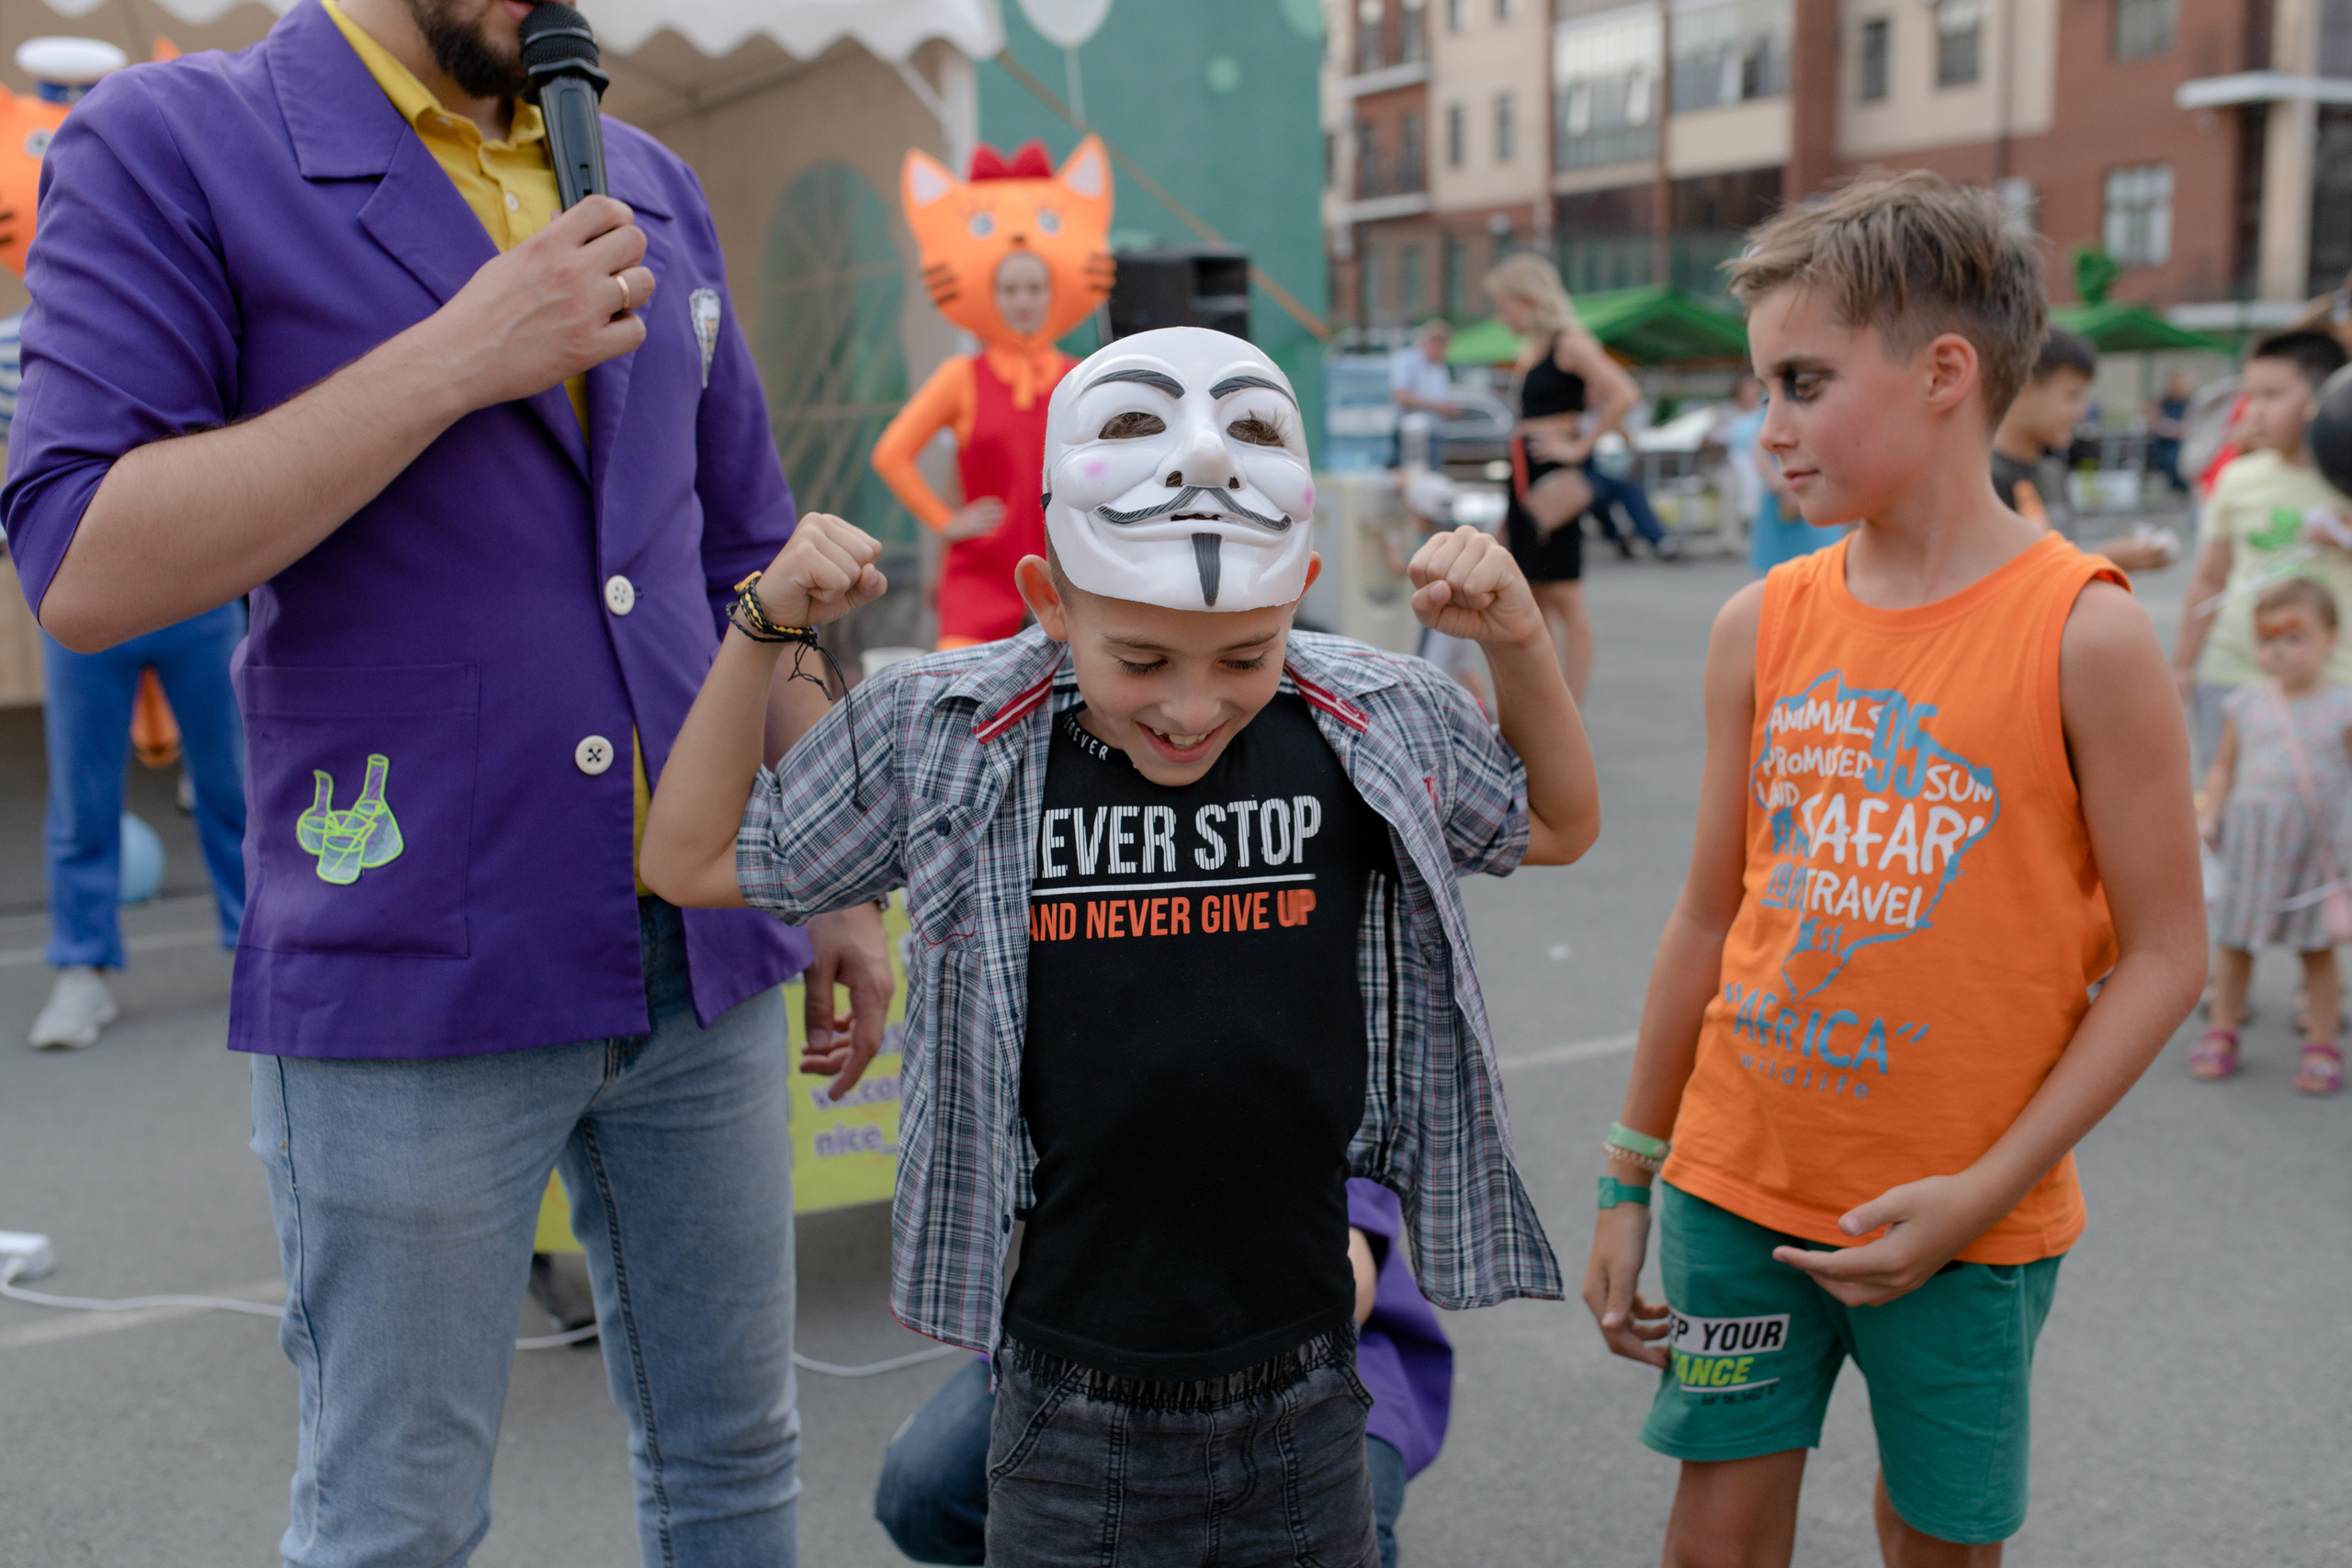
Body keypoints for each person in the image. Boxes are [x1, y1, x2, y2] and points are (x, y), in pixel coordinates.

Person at [0, 1, 898, 1562]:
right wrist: (459, 357)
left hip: (708, 948)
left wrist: (834, 861)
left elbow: (749, 543)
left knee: (741, 1460)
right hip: (410, 942)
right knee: (395, 1519)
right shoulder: (169, 143)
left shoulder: (648, 175)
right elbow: (81, 561)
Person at [642, 327, 1598, 1566]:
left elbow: (1561, 821)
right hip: (1066, 1402)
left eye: (1244, 655)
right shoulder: (953, 731)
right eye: (1138, 657)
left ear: (1298, 585)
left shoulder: (1369, 716)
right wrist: (764, 626)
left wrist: (1518, 640)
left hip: (1310, 1384)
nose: (1192, 704)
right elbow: (691, 858)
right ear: (1050, 598)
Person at [1580, 172, 2205, 1567]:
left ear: (1944, 370)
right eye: (1761, 387)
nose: (1769, 426)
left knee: (1937, 1541)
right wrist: (1632, 1172)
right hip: (1739, 1181)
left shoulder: (2084, 633)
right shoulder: (1762, 622)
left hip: (1968, 1223)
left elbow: (2170, 956)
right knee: (1714, 1542)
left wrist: (1984, 1190)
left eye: (1801, 380)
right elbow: (1706, 913)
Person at [870, 1179, 1455, 1568]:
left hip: (1301, 1349)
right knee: (924, 1490)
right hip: (1091, 1330)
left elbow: (1351, 1262)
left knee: (1351, 1525)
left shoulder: (1315, 1013)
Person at [870, 138, 1114, 649]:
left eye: (1034, 288)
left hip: (1066, 579)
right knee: (960, 708)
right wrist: (946, 521)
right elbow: (891, 453)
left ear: (1052, 292)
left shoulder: (1082, 376)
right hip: (979, 580)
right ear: (991, 293)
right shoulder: (961, 377)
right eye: (1010, 290)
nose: (1022, 301)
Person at [30, 604, 248, 1049]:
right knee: (81, 800)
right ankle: (82, 966)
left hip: (200, 594)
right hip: (87, 603)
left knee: (237, 789)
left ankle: (261, 955)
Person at [2191, 577, 2352, 1093]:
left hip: (2314, 853)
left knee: (2317, 951)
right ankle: (2222, 1030)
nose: (2280, 652)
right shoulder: (2245, 704)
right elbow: (2222, 767)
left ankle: (2322, 1044)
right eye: (2268, 640)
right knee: (2235, 946)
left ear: (2331, 638)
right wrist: (2210, 815)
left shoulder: (2343, 709)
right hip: (2252, 848)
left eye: (2295, 638)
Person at [2174, 331, 2352, 773]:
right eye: (2250, 395)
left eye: (2273, 395)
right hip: (2234, 672)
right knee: (2228, 804)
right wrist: (2183, 667)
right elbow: (2210, 577)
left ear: (2325, 400)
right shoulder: (2238, 477)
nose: (2254, 410)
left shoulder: (2345, 481)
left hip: (2329, 678)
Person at [1484, 252, 1650, 698]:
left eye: (1504, 305)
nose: (1501, 316)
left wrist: (1580, 443)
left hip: (1554, 475)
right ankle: (1550, 702)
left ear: (1527, 299)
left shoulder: (1569, 342)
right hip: (1527, 473)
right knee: (1534, 595)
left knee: (1565, 597)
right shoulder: (1535, 347)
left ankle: (1571, 706)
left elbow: (1624, 393)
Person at [1990, 327, 2179, 573]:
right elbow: (2008, 582)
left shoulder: (2052, 472)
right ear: (2024, 391)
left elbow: (2055, 560)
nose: (2081, 411)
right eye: (2071, 396)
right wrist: (2104, 560)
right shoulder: (1986, 480)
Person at [1390, 318, 1460, 469]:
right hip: (1412, 434)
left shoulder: (1440, 367)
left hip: (1434, 433)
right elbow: (1401, 395)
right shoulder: (1406, 360)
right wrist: (1436, 406)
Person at [2149, 370, 2191, 492]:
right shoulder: (2162, 403)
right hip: (2163, 445)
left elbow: (2186, 428)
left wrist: (2170, 428)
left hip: (2181, 446)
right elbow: (2154, 422)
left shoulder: (2189, 403)